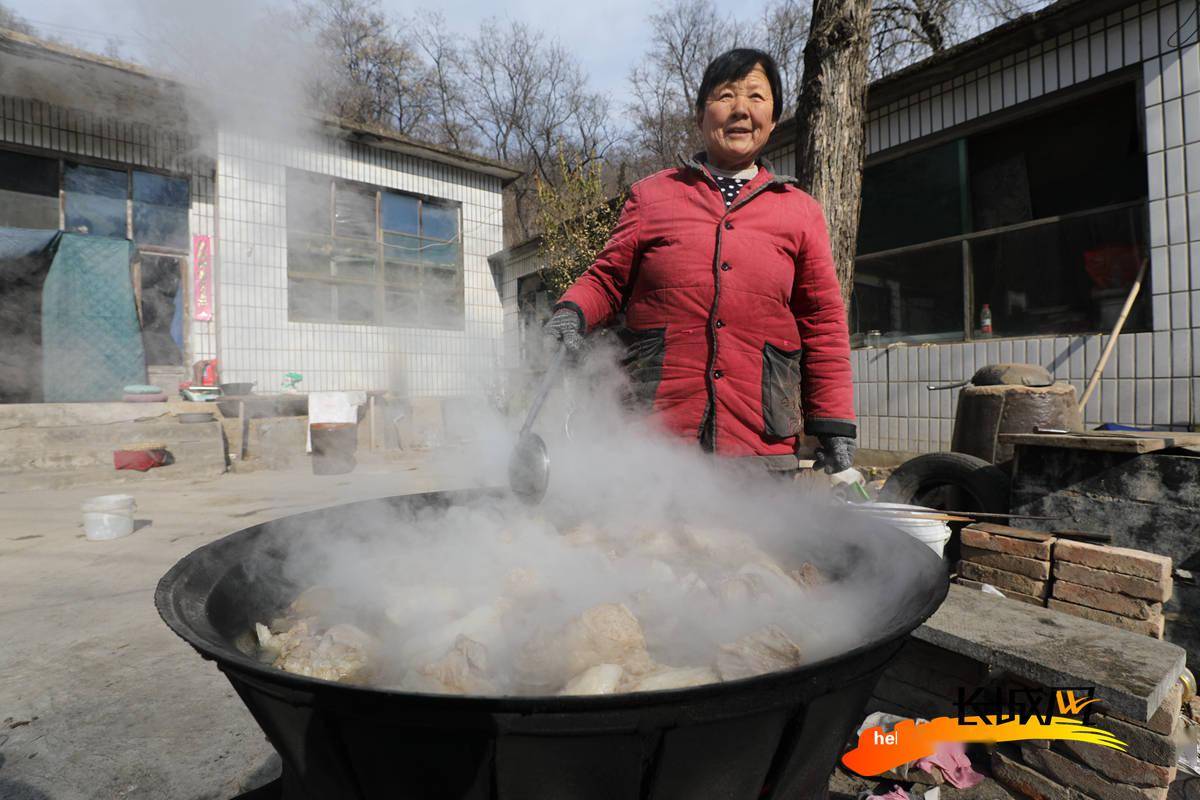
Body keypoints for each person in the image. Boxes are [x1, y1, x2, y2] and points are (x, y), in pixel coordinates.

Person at [545, 48, 856, 475]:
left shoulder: (800, 211)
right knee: (648, 542)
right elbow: (607, 278)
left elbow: (822, 322)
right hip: (654, 439)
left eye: (756, 97)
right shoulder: (652, 197)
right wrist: (572, 311)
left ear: (775, 117)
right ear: (700, 114)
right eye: (725, 95)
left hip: (760, 439)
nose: (741, 109)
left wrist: (833, 423)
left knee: (752, 545)